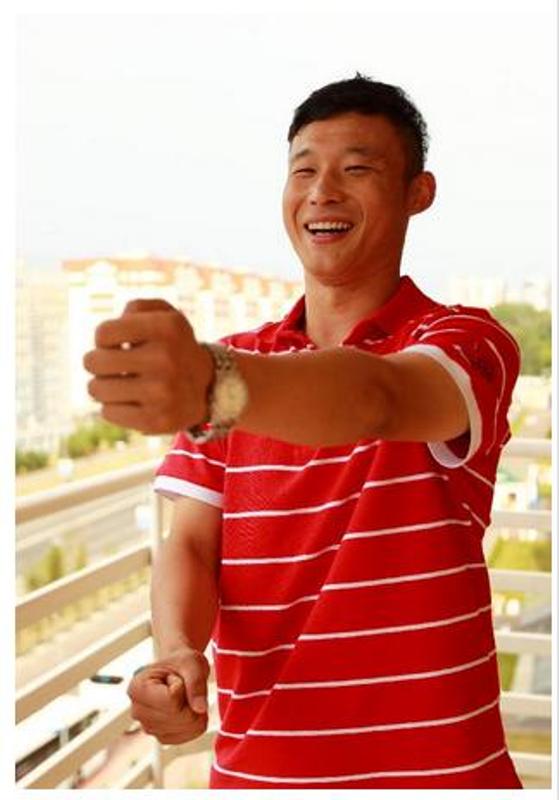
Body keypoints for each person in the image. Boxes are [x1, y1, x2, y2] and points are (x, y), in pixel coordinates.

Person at [83, 74, 523, 789]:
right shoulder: (239, 358)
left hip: (440, 774)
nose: (322, 191)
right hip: (259, 775)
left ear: (418, 192)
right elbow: (191, 542)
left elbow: (377, 396)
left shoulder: (467, 342)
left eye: (357, 169)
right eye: (304, 170)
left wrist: (214, 384)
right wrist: (177, 649)